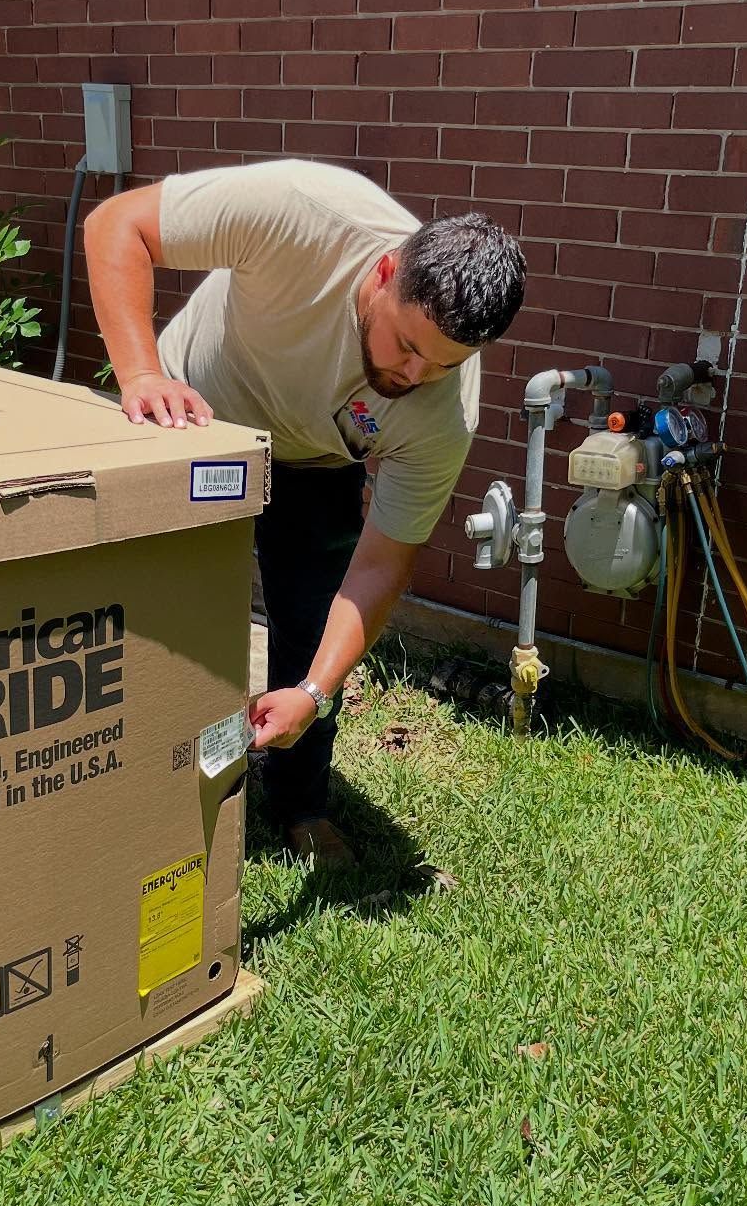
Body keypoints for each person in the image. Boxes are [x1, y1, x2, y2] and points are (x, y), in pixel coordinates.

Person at [83, 158, 525, 865]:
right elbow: (116, 224)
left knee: (314, 621)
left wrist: (315, 692)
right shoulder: (303, 212)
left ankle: (300, 807)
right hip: (193, 422)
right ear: (383, 274)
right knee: (157, 621)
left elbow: (379, 566)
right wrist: (140, 375)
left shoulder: (443, 414)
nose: (414, 377)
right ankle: (121, 785)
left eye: (443, 364)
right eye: (408, 345)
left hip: (315, 463)